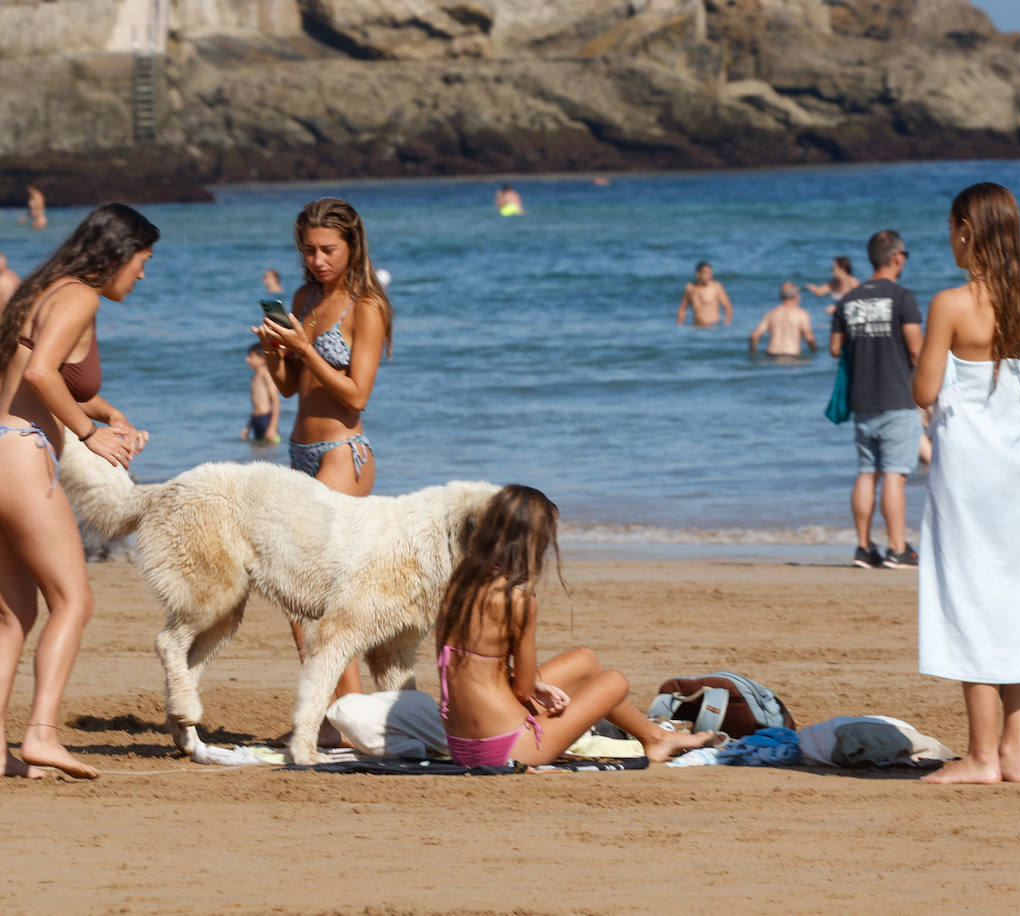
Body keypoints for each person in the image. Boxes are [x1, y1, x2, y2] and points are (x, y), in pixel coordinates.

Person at [0, 202, 158, 779]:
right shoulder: (81, 297)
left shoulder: (45, 290)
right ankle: (40, 735)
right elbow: (43, 374)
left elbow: (37, 380)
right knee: (74, 602)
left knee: (14, 614)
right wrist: (91, 436)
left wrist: (107, 412)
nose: (143, 274)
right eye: (142, 261)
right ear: (117, 254)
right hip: (16, 458)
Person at [436, 484, 715, 767]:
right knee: (614, 681)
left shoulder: (457, 587)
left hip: (461, 745)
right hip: (510, 747)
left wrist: (537, 685)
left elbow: (468, 667)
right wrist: (534, 685)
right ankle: (656, 739)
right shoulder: (517, 602)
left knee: (585, 661)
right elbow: (522, 689)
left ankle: (654, 736)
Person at [911, 182, 1020, 785]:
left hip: (970, 469)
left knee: (970, 595)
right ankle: (1016, 752)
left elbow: (925, 391)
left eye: (950, 229)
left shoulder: (951, 304)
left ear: (967, 229)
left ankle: (983, 756)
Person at [252, 197, 393, 712]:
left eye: (328, 249)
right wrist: (274, 351)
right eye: (308, 250)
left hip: (342, 452)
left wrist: (306, 348)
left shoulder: (367, 307)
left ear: (352, 246)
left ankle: (346, 710)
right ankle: (338, 713)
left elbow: (357, 395)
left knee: (312, 591)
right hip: (300, 452)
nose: (317, 260)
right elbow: (290, 389)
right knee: (298, 593)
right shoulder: (304, 296)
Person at [830, 230, 923, 569]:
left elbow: (835, 349)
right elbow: (917, 350)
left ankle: (863, 547)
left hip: (862, 398)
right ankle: (898, 548)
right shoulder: (902, 297)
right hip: (897, 396)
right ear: (897, 257)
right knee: (896, 474)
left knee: (867, 472)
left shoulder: (848, 299)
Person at [749, 282, 817, 357]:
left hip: (771, 355)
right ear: (796, 296)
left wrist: (753, 351)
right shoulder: (801, 314)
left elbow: (754, 335)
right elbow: (809, 338)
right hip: (791, 356)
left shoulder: (771, 313)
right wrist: (814, 351)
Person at [241, 344, 281, 444]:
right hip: (256, 420)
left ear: (262, 359)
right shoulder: (254, 377)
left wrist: (272, 427)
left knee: (270, 451)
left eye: (251, 357)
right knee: (258, 452)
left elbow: (276, 401)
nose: (247, 359)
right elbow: (256, 407)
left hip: (266, 420)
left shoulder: (266, 375)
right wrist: (248, 427)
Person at [676, 262, 733, 327]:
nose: (709, 276)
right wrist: (679, 325)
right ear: (698, 274)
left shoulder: (716, 287)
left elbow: (728, 306)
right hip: (697, 327)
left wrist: (727, 322)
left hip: (713, 326)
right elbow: (682, 309)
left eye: (710, 273)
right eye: (706, 273)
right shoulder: (690, 288)